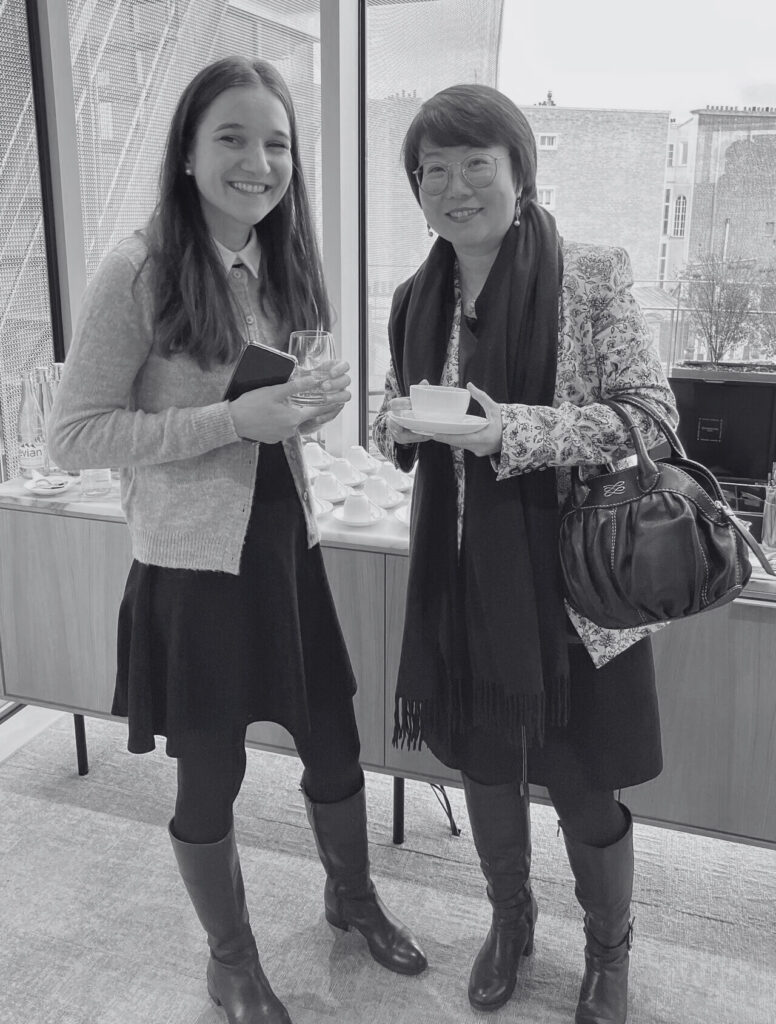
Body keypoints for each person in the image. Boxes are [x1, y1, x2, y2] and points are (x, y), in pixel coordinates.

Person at [49, 56, 426, 1024]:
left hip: (284, 545)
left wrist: (305, 408)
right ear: (186, 151)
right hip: (192, 565)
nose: (258, 163)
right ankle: (231, 961)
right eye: (232, 138)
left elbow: (272, 406)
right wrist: (234, 421)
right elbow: (75, 435)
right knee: (211, 772)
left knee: (334, 742)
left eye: (276, 143)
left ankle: (351, 897)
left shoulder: (279, 257)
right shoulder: (137, 268)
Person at [373, 83, 678, 1023]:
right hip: (462, 583)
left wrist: (512, 431)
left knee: (584, 787)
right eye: (434, 170)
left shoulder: (589, 274)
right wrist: (396, 426)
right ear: (416, 188)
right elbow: (396, 421)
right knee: (486, 766)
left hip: (576, 588)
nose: (455, 187)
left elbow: (650, 419)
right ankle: (512, 918)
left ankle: (609, 950)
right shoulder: (414, 299)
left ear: (519, 172)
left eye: (478, 164)